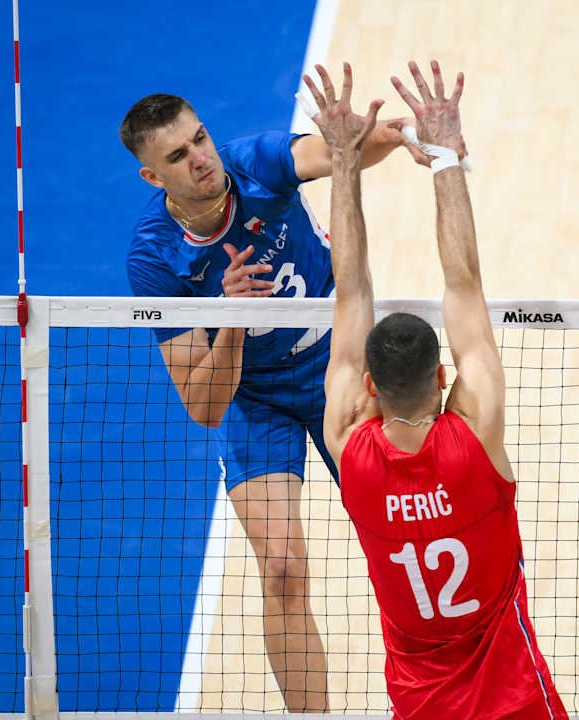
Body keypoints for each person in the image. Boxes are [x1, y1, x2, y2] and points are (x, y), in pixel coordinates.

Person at [120, 90, 424, 712]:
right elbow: (202, 406)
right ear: (153, 176)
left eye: (200, 138)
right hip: (253, 397)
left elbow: (331, 153)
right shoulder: (154, 259)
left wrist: (385, 138)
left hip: (338, 366)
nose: (202, 158)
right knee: (282, 569)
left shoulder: (254, 163)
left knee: (407, 536)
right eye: (179, 155)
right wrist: (231, 318)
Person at [306, 59, 568, 718]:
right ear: (444, 378)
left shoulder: (348, 448)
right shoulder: (473, 435)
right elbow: (464, 284)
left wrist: (343, 162)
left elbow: (351, 292)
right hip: (515, 699)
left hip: (421, 705)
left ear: (367, 386)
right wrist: (445, 156)